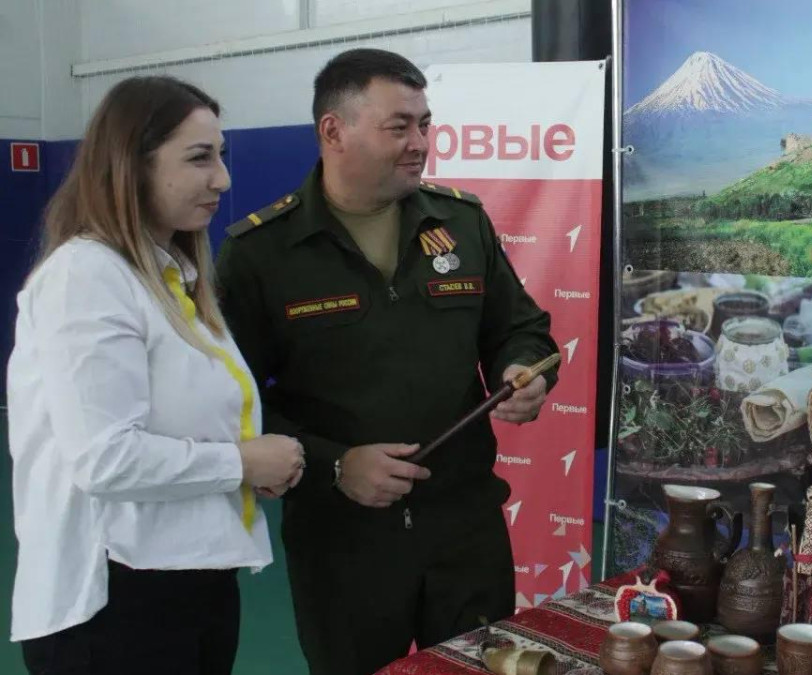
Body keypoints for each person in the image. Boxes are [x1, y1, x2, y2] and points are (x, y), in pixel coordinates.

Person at [215, 48, 559, 675]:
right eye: (398, 126)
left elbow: (520, 328)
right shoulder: (262, 253)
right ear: (333, 131)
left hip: (465, 527)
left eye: (424, 124)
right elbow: (229, 403)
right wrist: (334, 464)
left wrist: (523, 369)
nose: (420, 143)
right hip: (342, 541)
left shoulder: (461, 223)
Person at [7, 76, 305, 675]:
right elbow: (105, 459)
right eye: (199, 158)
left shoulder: (170, 280)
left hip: (191, 581)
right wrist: (241, 463)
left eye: (221, 155)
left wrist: (249, 465)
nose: (222, 179)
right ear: (131, 166)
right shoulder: (86, 276)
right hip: (114, 602)